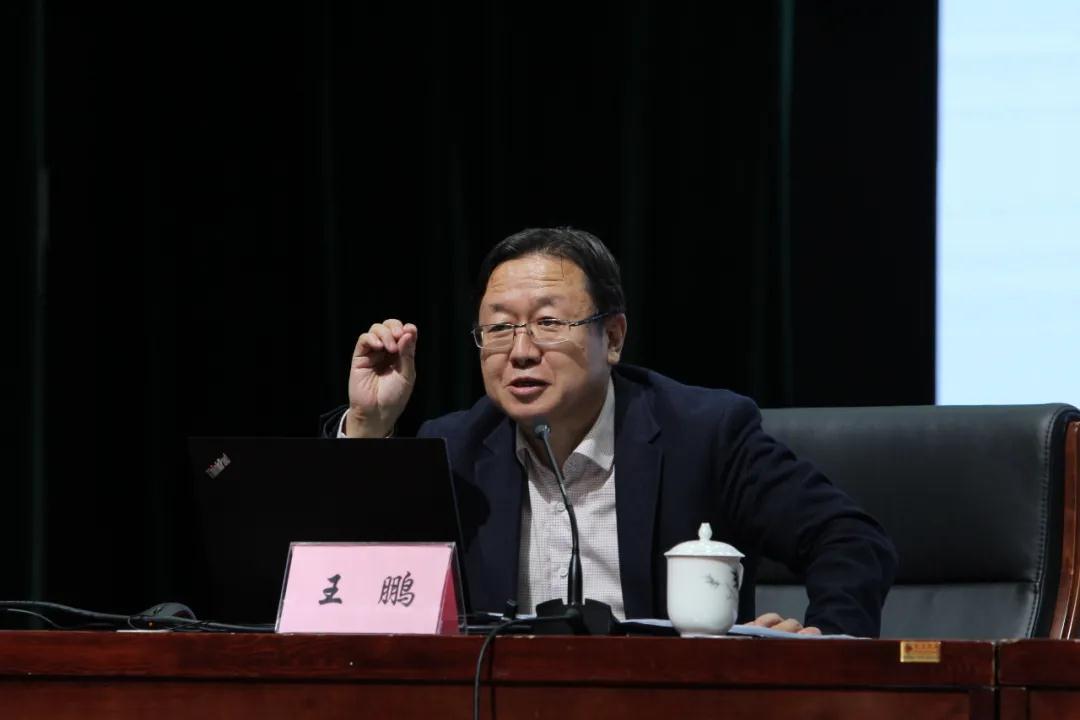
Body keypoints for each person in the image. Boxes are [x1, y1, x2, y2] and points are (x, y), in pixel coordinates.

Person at [320, 227, 896, 636]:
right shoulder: (457, 450)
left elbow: (850, 540)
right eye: (498, 329)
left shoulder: (703, 434)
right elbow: (347, 579)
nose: (520, 351)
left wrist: (826, 645)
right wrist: (370, 425)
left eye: (548, 323)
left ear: (613, 338)